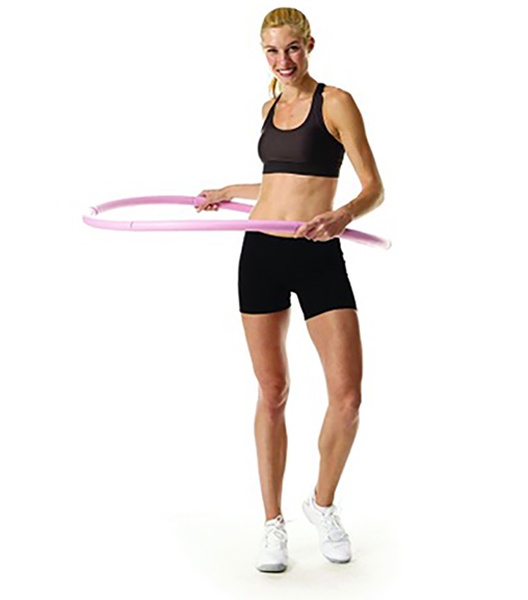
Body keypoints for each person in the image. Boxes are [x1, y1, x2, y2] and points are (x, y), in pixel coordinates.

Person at [196, 7, 384, 573]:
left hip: (318, 253)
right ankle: (272, 524)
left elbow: (374, 187)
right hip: (261, 253)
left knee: (347, 398)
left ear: (310, 45)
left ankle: (322, 504)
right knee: (272, 390)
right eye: (272, 51)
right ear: (264, 53)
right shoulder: (268, 107)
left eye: (292, 48)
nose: (283, 60)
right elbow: (279, 183)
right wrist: (228, 190)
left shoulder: (336, 102)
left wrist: (343, 215)